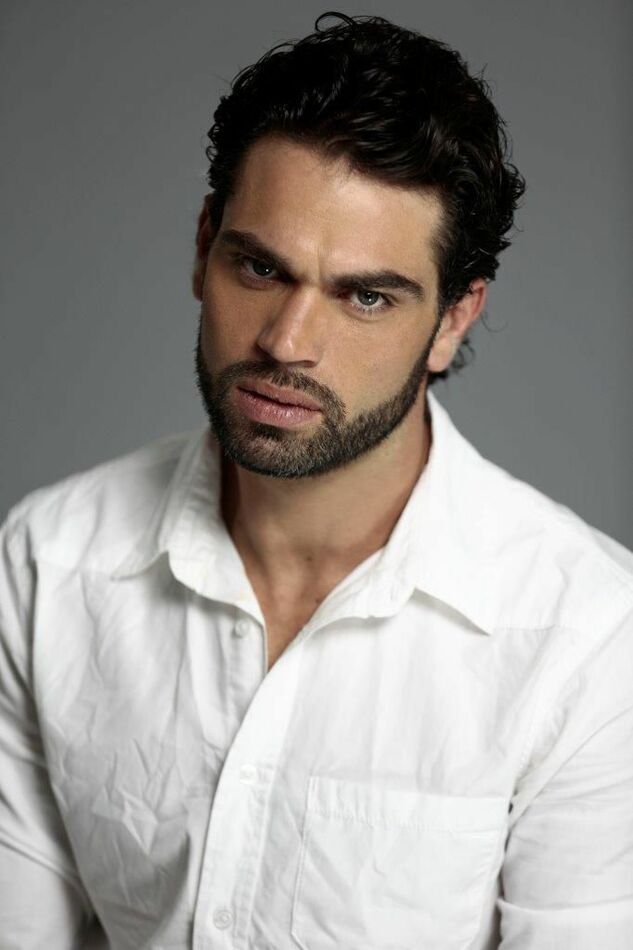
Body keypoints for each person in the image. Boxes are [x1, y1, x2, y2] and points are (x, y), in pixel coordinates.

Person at [1, 12, 632, 949]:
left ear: (453, 320)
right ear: (203, 246)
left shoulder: (588, 640)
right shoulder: (47, 563)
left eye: (365, 296)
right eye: (260, 267)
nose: (285, 343)